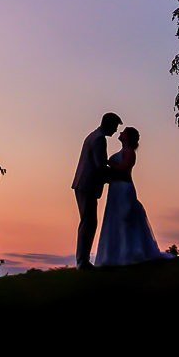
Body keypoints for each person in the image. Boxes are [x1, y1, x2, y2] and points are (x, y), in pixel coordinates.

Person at [94, 126, 165, 267]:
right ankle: (115, 254)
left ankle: (129, 253)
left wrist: (110, 163)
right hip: (115, 189)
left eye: (123, 132)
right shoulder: (123, 152)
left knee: (125, 218)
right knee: (115, 219)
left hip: (123, 188)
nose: (120, 133)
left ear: (128, 137)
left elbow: (124, 169)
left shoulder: (130, 152)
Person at [72, 111, 122, 269]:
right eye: (114, 127)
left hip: (83, 184)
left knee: (88, 222)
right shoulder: (99, 139)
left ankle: (82, 260)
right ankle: (82, 261)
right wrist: (116, 177)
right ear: (109, 124)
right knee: (88, 222)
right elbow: (99, 166)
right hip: (87, 184)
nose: (115, 131)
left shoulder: (94, 135)